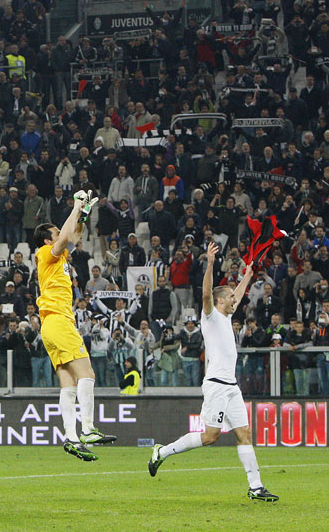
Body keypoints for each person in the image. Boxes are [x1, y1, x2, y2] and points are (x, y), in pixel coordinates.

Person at [148, 242, 279, 502]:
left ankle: (255, 487)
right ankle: (162, 452)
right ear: (220, 300)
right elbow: (207, 294)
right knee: (210, 436)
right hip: (217, 385)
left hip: (231, 386)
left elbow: (237, 295)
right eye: (230, 297)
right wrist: (209, 263)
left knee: (244, 433)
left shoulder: (226, 316)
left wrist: (248, 275)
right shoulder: (209, 315)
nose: (235, 300)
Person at [33, 189, 116, 461]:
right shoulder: (45, 253)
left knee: (68, 383)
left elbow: (75, 234)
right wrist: (76, 206)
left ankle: (70, 437)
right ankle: (88, 429)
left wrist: (84, 213)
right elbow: (67, 236)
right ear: (48, 239)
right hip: (59, 320)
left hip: (51, 324)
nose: (61, 234)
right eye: (56, 233)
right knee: (87, 374)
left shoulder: (56, 258)